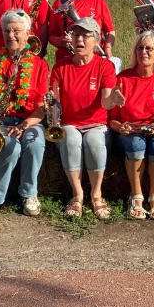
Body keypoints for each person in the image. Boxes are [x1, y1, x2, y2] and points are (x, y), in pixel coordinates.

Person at [0, 10, 50, 218]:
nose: (11, 35)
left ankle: (29, 193)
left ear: (27, 34)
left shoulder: (40, 65)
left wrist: (23, 126)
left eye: (16, 30)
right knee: (11, 146)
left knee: (36, 142)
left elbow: (41, 108)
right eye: (7, 30)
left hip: (29, 121)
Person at [49, 17, 120, 219]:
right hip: (70, 123)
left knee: (94, 141)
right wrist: (51, 105)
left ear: (96, 40)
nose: (79, 39)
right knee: (70, 138)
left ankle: (96, 194)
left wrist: (114, 99)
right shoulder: (60, 67)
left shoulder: (104, 67)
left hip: (96, 124)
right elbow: (56, 102)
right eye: (76, 35)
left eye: (85, 35)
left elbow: (106, 104)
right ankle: (77, 194)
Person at [109, 30, 154, 220]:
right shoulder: (122, 78)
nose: (144, 52)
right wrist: (121, 127)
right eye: (140, 48)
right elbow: (112, 119)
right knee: (136, 144)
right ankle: (136, 196)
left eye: (149, 48)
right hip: (130, 133)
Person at [48, 0, 115, 61]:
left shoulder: (99, 2)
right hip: (66, 60)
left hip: (95, 59)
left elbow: (110, 31)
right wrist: (61, 41)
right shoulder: (59, 4)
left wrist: (108, 49)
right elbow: (51, 36)